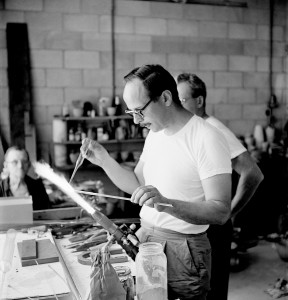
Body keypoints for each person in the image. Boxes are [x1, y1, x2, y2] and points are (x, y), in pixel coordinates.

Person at [81, 64, 232, 300]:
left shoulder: (207, 137)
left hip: (183, 249)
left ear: (165, 97)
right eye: (132, 113)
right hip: (147, 240)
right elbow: (136, 184)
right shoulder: (155, 134)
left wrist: (165, 203)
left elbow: (221, 210)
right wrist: (104, 161)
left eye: (139, 111)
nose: (136, 121)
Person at [176, 73, 264, 300]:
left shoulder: (213, 129)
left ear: (199, 101)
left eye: (182, 100)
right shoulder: (191, 129)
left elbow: (253, 173)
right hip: (198, 224)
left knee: (213, 290)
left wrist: (230, 212)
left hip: (214, 223)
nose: (178, 106)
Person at [0, 146, 51, 210]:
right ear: (6, 165)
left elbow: (46, 214)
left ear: (29, 165)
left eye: (24, 162)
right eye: (15, 162)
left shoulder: (38, 187)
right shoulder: (1, 189)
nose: (20, 166)